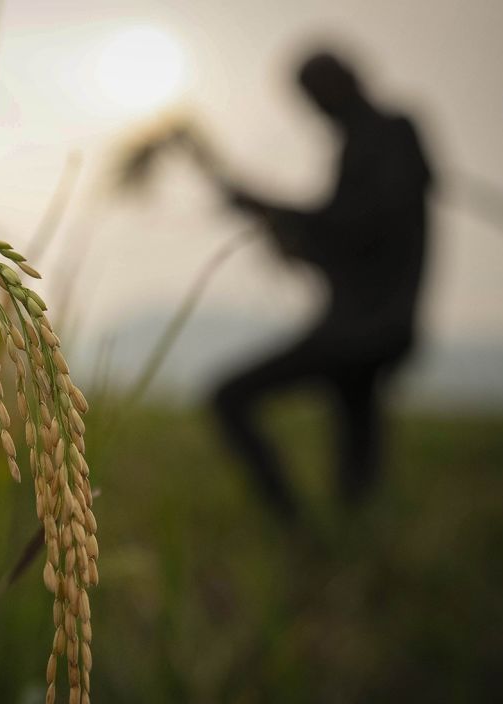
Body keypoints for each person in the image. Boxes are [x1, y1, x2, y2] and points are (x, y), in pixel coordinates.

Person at [210, 49, 434, 522]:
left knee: (230, 397)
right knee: (356, 438)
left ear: (349, 79)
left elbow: (359, 230)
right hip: (364, 323)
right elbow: (336, 247)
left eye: (318, 93)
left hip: (367, 327)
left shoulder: (391, 135)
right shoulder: (363, 145)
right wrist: (278, 224)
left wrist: (270, 209)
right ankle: (350, 542)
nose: (317, 108)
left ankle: (295, 527)